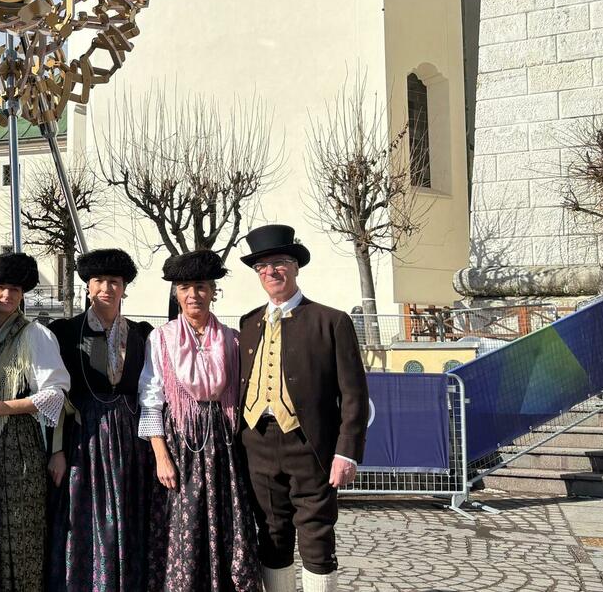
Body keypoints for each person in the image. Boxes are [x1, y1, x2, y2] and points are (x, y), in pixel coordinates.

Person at [236, 224, 368, 592]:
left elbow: (354, 394)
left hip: (309, 443)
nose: (271, 272)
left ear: (295, 266)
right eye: (262, 267)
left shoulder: (331, 321)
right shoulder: (248, 323)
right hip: (257, 442)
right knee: (272, 533)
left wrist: (347, 452)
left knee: (316, 535)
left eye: (279, 263)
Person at [138, 249, 260, 591]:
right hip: (180, 444)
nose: (194, 295)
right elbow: (150, 401)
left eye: (201, 287)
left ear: (213, 291)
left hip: (222, 445)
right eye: (185, 287)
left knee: (227, 520)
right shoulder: (160, 339)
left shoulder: (233, 339)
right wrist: (161, 456)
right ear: (176, 293)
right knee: (183, 523)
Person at [46, 249, 155, 591]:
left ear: (124, 288)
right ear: (88, 287)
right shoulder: (66, 332)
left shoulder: (141, 333)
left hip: (129, 437)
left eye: (114, 282)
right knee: (83, 516)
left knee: (127, 513)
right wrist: (57, 450)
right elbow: (56, 396)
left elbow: (150, 389)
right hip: (83, 435)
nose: (106, 288)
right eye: (99, 281)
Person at [0, 252, 71, 592]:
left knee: (18, 529)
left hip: (18, 445)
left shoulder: (36, 334)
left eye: (14, 289)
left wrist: (6, 407)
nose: (6, 295)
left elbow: (56, 393)